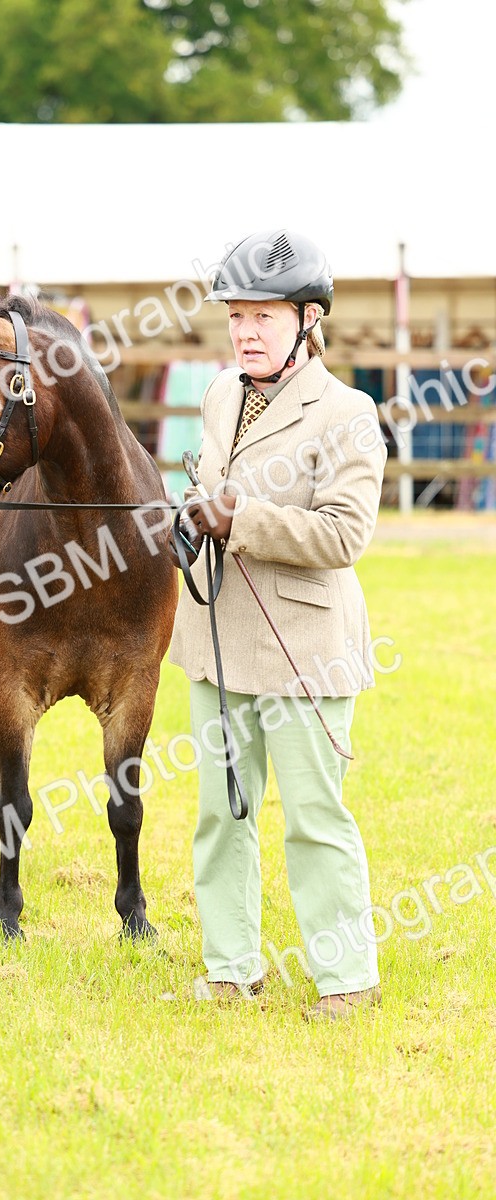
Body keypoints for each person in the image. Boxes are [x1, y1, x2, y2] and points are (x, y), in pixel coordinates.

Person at [168, 229, 387, 1021]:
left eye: (264, 316)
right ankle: (231, 966)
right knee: (221, 813)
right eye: (237, 316)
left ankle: (346, 979)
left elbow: (342, 536)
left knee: (314, 818)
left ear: (308, 320)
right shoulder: (223, 394)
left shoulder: (349, 413)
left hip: (305, 650)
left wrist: (243, 517)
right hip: (218, 638)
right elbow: (215, 485)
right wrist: (193, 518)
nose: (247, 332)